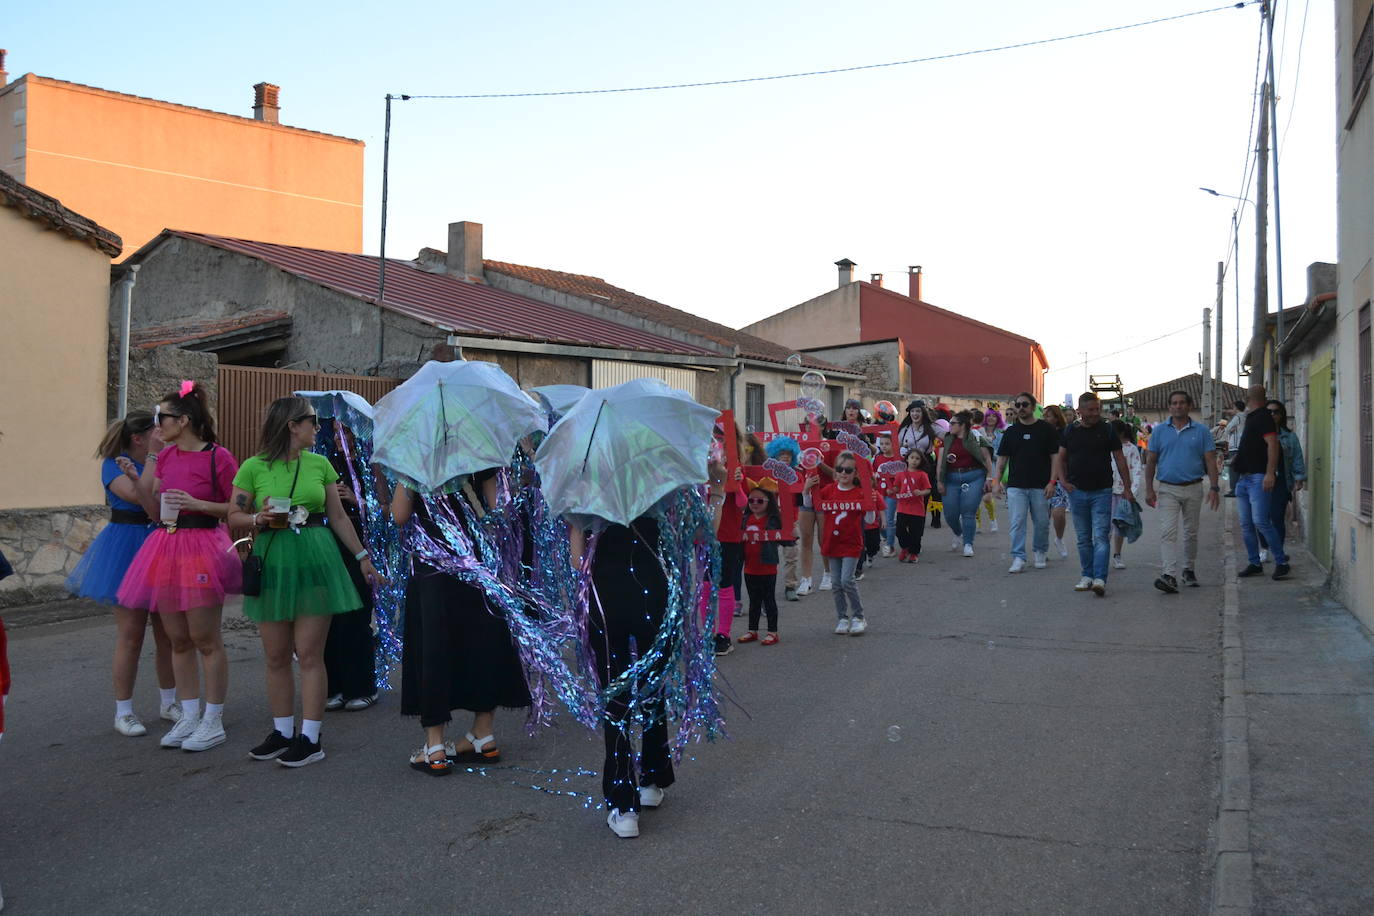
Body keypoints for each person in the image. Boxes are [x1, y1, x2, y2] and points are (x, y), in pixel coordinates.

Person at [228, 396, 382, 768]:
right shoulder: (253, 467)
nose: (318, 427)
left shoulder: (320, 464)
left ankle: (311, 738)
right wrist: (258, 520)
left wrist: (362, 558)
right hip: (274, 560)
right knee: (277, 656)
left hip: (316, 558)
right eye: (312, 421)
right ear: (291, 426)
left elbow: (339, 518)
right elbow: (234, 515)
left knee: (310, 655)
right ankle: (282, 732)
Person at [116, 383, 241, 751]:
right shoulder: (165, 456)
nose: (157, 424)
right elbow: (152, 510)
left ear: (183, 420)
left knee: (205, 637)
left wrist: (198, 504)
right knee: (177, 639)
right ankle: (189, 715)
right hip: (166, 545)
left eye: (163, 417)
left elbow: (236, 510)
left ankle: (212, 720)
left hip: (202, 546)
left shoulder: (219, 457)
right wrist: (149, 464)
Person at [393, 477, 530, 776]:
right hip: (476, 561)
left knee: (434, 645)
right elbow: (501, 511)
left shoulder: (416, 458)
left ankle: (436, 746)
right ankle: (483, 733)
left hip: (433, 564)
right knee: (483, 640)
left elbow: (400, 515)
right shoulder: (478, 447)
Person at [65, 411, 180, 736]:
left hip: (158, 543)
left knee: (167, 633)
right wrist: (155, 460)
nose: (161, 433)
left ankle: (168, 701)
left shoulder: (160, 459)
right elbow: (137, 497)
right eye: (154, 430)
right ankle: (124, 711)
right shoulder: (113, 463)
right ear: (138, 438)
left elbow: (161, 502)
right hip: (125, 547)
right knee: (131, 635)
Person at [1052, 392, 1131, 596]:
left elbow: (1120, 458)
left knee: (1101, 536)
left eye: (1098, 409)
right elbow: (1060, 458)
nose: (1096, 413)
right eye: (1091, 410)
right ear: (1080, 411)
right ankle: (1086, 576)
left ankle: (1099, 578)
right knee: (1083, 537)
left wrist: (1128, 487)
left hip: (1102, 490)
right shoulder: (1070, 431)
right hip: (1077, 492)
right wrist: (1063, 481)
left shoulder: (1107, 430)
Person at [1143, 389, 1220, 594]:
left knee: (1191, 532)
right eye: (1174, 403)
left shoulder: (1202, 431)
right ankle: (1169, 574)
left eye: (1182, 403)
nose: (1178, 406)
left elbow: (1210, 460)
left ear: (1188, 406)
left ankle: (1189, 569)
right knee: (1168, 532)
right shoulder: (1159, 431)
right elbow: (1151, 461)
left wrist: (1214, 487)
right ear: (1170, 407)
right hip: (1168, 488)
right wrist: (1149, 489)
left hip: (1194, 487)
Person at [322, 439, 379, 712]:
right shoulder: (324, 462)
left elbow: (390, 510)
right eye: (333, 429)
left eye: (343, 430)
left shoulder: (372, 464)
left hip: (362, 544)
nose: (338, 437)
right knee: (329, 619)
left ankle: (362, 687)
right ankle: (334, 686)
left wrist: (358, 500)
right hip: (328, 544)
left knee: (356, 615)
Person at [803, 451, 873, 635]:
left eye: (848, 470)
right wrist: (806, 489)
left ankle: (859, 617)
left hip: (851, 543)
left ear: (855, 473)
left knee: (846, 580)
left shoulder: (859, 492)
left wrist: (870, 502)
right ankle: (842, 618)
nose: (843, 473)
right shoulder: (828, 490)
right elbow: (811, 505)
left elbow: (870, 518)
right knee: (835, 583)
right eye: (840, 469)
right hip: (832, 543)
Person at [994, 393, 1060, 573]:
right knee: (1017, 522)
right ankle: (1018, 557)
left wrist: (1052, 481)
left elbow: (1055, 457)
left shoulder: (1046, 430)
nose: (1021, 408)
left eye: (1025, 404)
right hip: (1016, 485)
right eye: (1018, 405)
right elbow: (1002, 459)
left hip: (1041, 485)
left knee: (1042, 522)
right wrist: (996, 482)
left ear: (1032, 407)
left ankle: (1040, 551)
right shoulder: (1011, 432)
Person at [1229, 385, 1289, 580]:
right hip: (1245, 477)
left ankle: (1281, 562)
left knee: (1261, 522)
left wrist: (1270, 473)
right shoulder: (1253, 417)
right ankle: (1255, 563)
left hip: (1257, 477)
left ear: (1248, 398)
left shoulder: (1263, 417)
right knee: (1246, 524)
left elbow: (1273, 444)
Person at [936, 411, 993, 557]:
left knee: (968, 512)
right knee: (950, 514)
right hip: (951, 478)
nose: (950, 426)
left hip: (974, 476)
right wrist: (939, 481)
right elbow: (940, 462)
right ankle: (958, 533)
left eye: (953, 423)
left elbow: (986, 458)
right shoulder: (947, 439)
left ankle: (968, 543)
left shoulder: (976, 437)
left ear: (962, 426)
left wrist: (989, 478)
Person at [1257, 400, 1306, 564]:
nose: (1272, 415)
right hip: (1260, 480)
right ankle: (1263, 548)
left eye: (1276, 412)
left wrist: (1299, 477)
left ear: (1281, 415)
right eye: (1269, 412)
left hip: (1281, 482)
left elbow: (1297, 457)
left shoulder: (1289, 437)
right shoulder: (1258, 435)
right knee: (1262, 517)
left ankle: (1279, 551)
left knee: (1277, 517)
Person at [737, 480, 782, 645]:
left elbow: (785, 538)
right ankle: (752, 630)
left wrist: (793, 534)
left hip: (768, 567)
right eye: (751, 500)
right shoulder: (745, 519)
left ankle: (772, 632)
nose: (755, 504)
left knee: (769, 600)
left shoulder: (773, 520)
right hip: (749, 567)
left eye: (760, 501)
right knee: (753, 600)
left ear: (769, 502)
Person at [765, 437, 803, 601]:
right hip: (771, 520)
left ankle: (790, 586)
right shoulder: (768, 475)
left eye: (788, 454)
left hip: (790, 520)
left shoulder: (797, 474)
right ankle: (767, 588)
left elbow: (801, 496)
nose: (785, 457)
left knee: (792, 554)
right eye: (781, 454)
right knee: (768, 555)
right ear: (775, 456)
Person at [1109, 420, 1146, 569]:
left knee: (1119, 525)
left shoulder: (1131, 449)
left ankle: (1117, 555)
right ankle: (1102, 554)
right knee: (1104, 526)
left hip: (1123, 493)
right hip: (1107, 491)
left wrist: (1131, 490)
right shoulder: (1107, 448)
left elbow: (1137, 471)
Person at [1041, 405, 1072, 557]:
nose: (1045, 418)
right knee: (1042, 517)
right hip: (1041, 478)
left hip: (1060, 479)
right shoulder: (1039, 433)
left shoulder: (1064, 433)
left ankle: (1059, 539)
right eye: (1044, 415)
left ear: (1056, 418)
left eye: (1048, 416)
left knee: (1059, 514)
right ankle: (1042, 547)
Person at [892, 449, 932, 562]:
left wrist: (920, 492)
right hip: (902, 508)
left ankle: (914, 553)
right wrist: (891, 490)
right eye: (912, 458)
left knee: (916, 533)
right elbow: (896, 487)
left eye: (917, 458)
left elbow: (928, 489)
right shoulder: (900, 474)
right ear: (907, 459)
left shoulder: (922, 474)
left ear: (921, 461)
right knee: (899, 530)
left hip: (917, 509)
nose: (914, 461)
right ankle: (905, 548)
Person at [874, 434, 901, 557]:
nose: (884, 446)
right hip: (879, 493)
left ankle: (890, 546)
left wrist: (895, 487)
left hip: (891, 494)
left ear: (893, 444)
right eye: (882, 444)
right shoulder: (878, 458)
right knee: (879, 520)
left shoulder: (897, 459)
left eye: (887, 444)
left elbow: (901, 476)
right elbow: (873, 473)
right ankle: (885, 536)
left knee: (889, 519)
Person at [1222, 399, 1247, 495]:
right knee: (1242, 469)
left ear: (1236, 408)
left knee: (1232, 468)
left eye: (1233, 407)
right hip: (1243, 445)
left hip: (1236, 446)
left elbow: (1227, 428)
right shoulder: (1246, 416)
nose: (1232, 410)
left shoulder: (1238, 416)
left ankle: (1234, 490)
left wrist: (1229, 429)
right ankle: (1242, 489)